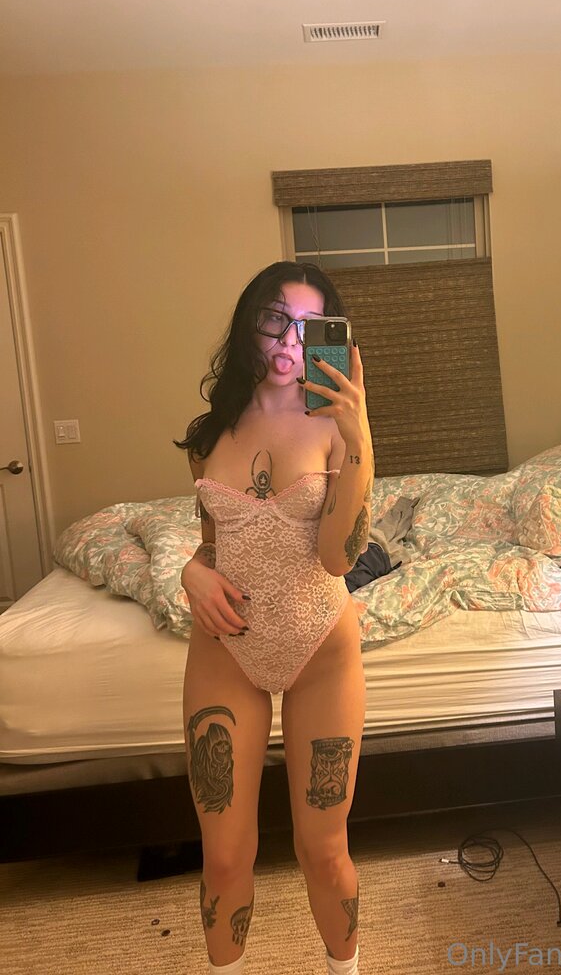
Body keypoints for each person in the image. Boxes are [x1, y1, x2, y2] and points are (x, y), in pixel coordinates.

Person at [174, 261, 373, 975]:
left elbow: (338, 557)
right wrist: (190, 572)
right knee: (225, 857)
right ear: (249, 322)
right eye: (275, 319)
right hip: (225, 651)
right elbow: (212, 545)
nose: (290, 341)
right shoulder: (209, 434)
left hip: (321, 649)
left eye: (309, 326)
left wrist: (359, 437)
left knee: (323, 850)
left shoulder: (334, 426)